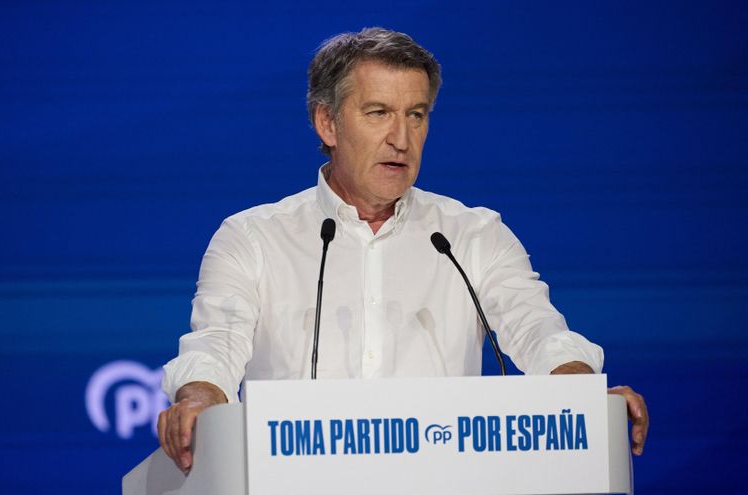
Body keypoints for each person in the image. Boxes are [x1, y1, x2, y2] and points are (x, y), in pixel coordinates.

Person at [157, 27, 648, 474]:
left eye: (416, 115)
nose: (402, 139)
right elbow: (216, 343)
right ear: (327, 124)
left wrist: (585, 397)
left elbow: (538, 329)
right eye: (378, 114)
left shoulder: (472, 235)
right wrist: (199, 398)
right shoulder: (254, 238)